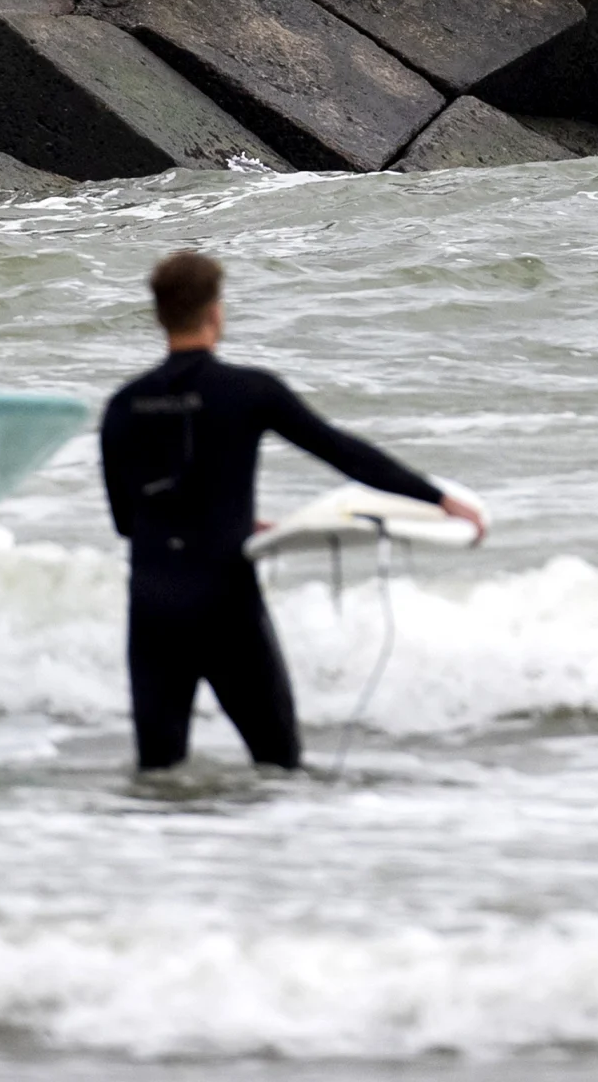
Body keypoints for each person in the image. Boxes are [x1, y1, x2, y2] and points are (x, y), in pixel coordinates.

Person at [98, 247, 485, 772]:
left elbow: (128, 520)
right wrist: (438, 499)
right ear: (215, 312)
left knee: (159, 773)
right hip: (222, 601)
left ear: (160, 315)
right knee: (279, 763)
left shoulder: (123, 404)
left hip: (153, 604)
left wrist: (217, 516)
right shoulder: (248, 390)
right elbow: (341, 451)